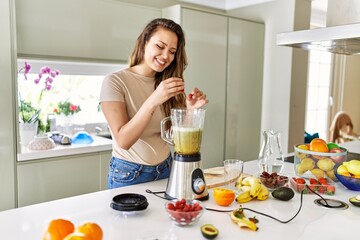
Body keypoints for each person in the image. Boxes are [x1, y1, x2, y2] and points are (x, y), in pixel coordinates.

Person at [99, 18, 209, 189]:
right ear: (144, 42)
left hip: (167, 168)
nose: (166, 56)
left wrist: (188, 111)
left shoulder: (167, 83)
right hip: (130, 174)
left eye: (172, 51)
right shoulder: (115, 81)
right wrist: (153, 100)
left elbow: (173, 139)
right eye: (160, 46)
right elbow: (123, 140)